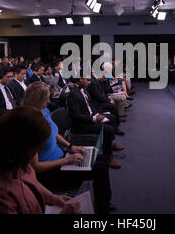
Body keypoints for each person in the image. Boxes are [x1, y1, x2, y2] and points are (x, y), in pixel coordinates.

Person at [0, 106, 81, 214]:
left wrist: (52, 197)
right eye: (37, 148)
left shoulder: (8, 157)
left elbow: (29, 178)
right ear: (24, 147)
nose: (37, 152)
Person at [23, 82, 115, 214]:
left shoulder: (44, 111)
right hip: (50, 172)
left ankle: (104, 204)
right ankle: (103, 209)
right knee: (100, 167)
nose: (49, 101)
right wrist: (67, 161)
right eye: (46, 98)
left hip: (61, 158)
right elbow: (36, 167)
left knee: (100, 159)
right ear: (38, 100)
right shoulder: (30, 125)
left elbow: (54, 133)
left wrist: (71, 147)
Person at [67, 76, 123, 169]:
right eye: (87, 80)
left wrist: (96, 114)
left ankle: (109, 143)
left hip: (91, 117)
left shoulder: (84, 89)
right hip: (82, 125)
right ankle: (108, 157)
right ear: (80, 79)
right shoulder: (73, 94)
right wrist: (94, 118)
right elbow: (76, 116)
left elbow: (90, 105)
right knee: (108, 130)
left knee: (112, 118)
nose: (89, 82)